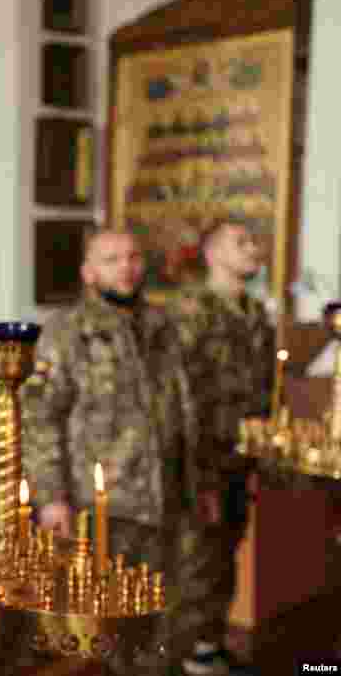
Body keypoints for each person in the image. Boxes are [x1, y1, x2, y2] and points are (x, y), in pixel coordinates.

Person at [21, 228, 197, 575]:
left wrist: (197, 482)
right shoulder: (66, 331)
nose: (125, 268)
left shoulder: (163, 326)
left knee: (159, 615)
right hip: (100, 506)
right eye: (112, 260)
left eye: (133, 257)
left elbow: (185, 407)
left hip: (164, 502)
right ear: (89, 272)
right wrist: (51, 497)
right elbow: (39, 418)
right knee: (100, 616)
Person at [166, 220, 273, 676]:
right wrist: (196, 469)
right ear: (212, 254)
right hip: (200, 457)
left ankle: (208, 645)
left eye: (253, 242)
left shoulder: (255, 312)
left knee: (225, 553)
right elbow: (181, 394)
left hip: (240, 454)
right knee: (197, 559)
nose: (253, 250)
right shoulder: (192, 309)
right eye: (241, 243)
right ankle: (184, 653)